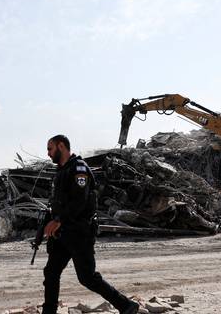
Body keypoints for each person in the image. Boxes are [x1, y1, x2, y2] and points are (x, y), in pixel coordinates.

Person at [42, 134, 139, 314]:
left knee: (87, 277)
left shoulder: (79, 169)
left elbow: (79, 201)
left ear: (61, 146)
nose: (48, 153)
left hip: (79, 233)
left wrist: (58, 220)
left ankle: (126, 305)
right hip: (62, 234)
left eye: (50, 148)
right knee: (51, 273)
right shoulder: (61, 171)